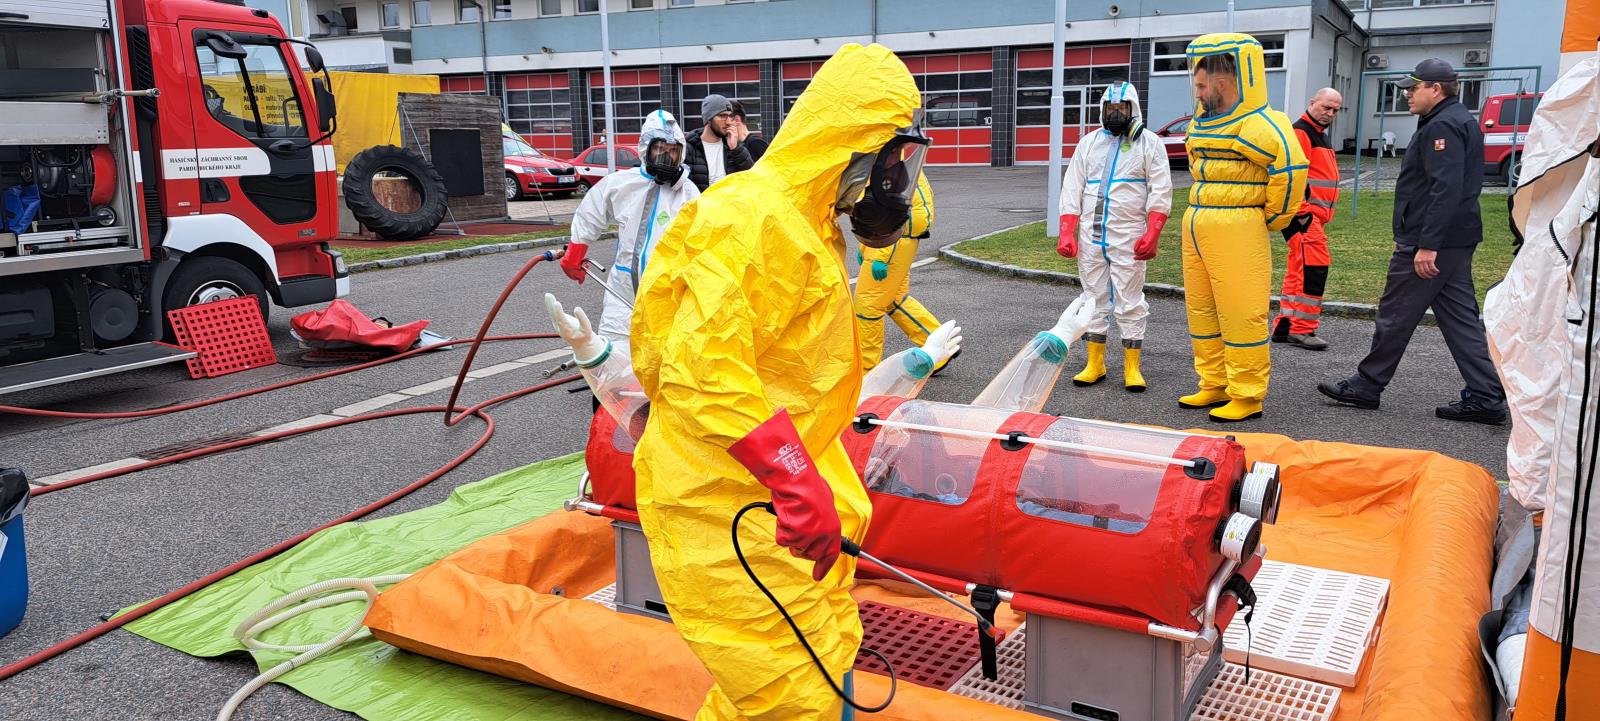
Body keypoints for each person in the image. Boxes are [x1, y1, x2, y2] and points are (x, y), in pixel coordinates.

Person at [629, 43, 927, 720]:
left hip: (776, 506)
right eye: (892, 160)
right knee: (792, 697)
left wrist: (809, 483)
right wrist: (793, 478)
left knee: (810, 671)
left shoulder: (809, 223)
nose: (895, 181)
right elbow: (705, 369)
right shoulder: (751, 217)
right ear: (853, 145)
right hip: (723, 505)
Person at [1318, 59, 1507, 424]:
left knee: (1395, 314)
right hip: (1454, 240)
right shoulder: (1453, 119)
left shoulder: (1443, 125)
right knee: (1460, 321)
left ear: (1435, 89)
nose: (1406, 94)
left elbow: (1445, 189)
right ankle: (1486, 396)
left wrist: (1427, 244)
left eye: (1413, 88)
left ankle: (1367, 385)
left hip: (1433, 242)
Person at [1179, 34, 1308, 423]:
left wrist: (1271, 218)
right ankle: (1214, 382)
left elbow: (1290, 171)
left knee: (1241, 312)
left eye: (1202, 86)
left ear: (1221, 83)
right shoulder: (1205, 120)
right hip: (1199, 220)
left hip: (1237, 225)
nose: (1197, 92)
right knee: (1202, 310)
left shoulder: (1260, 123)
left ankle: (1247, 394)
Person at [1056, 80, 1173, 392]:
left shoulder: (1150, 144)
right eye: (1110, 108)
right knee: (1093, 298)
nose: (1116, 113)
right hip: (1091, 238)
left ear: (1133, 109)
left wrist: (1153, 232)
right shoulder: (1088, 144)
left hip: (1128, 237)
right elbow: (1072, 188)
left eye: (1122, 108)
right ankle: (1095, 363)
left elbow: (1161, 190)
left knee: (1130, 301)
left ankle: (1132, 367)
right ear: (1102, 109)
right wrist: (1067, 232)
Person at [558, 109, 699, 341]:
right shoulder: (621, 184)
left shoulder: (687, 193)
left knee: (663, 349)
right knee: (615, 347)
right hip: (622, 289)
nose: (666, 156)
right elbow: (590, 213)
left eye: (673, 150)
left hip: (666, 290)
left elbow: (700, 240)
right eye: (660, 148)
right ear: (646, 148)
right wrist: (575, 252)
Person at [853, 172, 945, 372]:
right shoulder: (897, 163)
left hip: (891, 242)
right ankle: (938, 346)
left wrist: (878, 255)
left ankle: (866, 370)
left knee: (868, 306)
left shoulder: (886, 165)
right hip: (899, 240)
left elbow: (887, 214)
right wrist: (865, 247)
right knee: (895, 300)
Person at [1273, 88, 1343, 351]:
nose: (1330, 113)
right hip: (1304, 218)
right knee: (1314, 270)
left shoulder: (1317, 134)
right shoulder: (1302, 132)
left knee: (1299, 271)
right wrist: (1303, 213)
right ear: (1312, 103)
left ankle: (1285, 326)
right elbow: (1293, 175)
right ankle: (1302, 329)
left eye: (1335, 110)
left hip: (1309, 217)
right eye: (1326, 107)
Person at [685, 94, 760, 190]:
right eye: (723, 116)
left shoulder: (733, 146)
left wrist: (736, 149)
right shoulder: (689, 148)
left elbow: (750, 178)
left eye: (730, 116)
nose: (728, 122)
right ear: (709, 118)